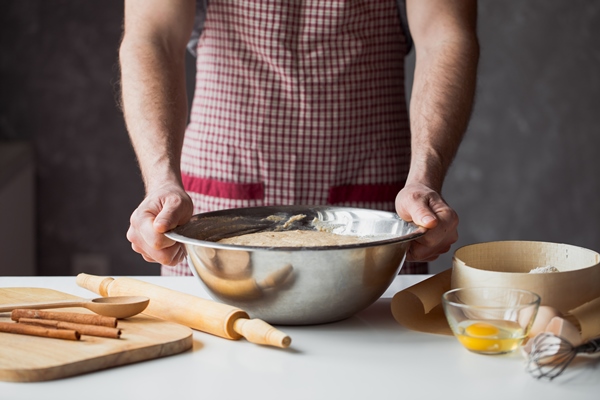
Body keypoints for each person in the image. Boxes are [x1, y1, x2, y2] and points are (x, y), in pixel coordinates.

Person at [119, 0, 479, 276]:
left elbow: (443, 35)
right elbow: (154, 36)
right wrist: (162, 181)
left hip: (375, 208)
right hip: (217, 201)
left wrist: (424, 178)